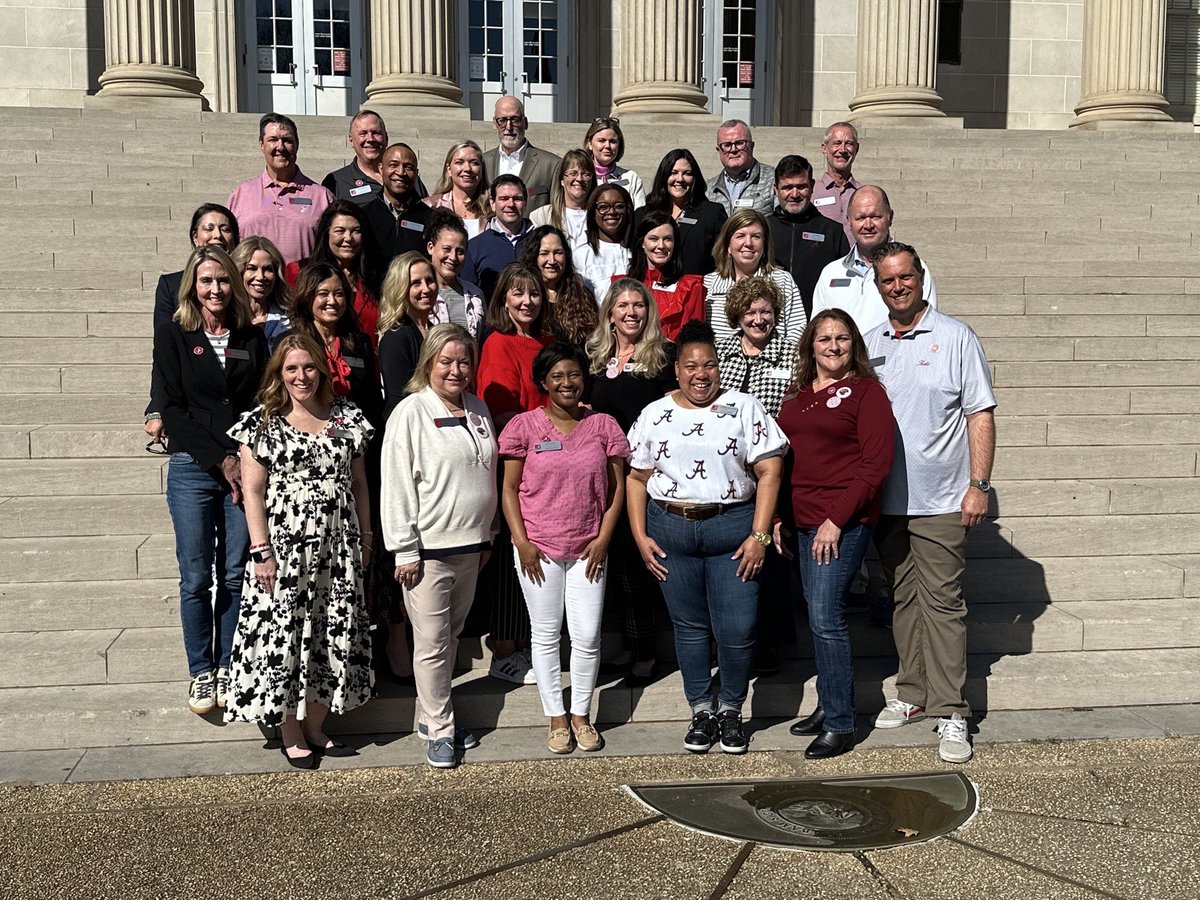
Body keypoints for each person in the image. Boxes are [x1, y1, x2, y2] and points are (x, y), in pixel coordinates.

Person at [626, 321, 787, 755]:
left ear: (721, 368)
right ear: (677, 370)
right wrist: (640, 535)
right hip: (670, 529)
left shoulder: (744, 407)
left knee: (737, 628)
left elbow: (770, 469)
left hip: (732, 529)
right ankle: (701, 708)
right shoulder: (655, 413)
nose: (702, 374)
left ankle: (732, 709)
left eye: (710, 366)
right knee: (690, 628)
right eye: (692, 366)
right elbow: (637, 477)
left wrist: (760, 534)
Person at [865, 242, 996, 764]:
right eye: (887, 281)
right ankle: (914, 694)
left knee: (942, 604)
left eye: (905, 277)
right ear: (878, 288)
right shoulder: (870, 344)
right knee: (902, 600)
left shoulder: (956, 337)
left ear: (920, 277)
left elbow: (979, 414)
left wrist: (978, 484)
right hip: (888, 501)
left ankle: (953, 711)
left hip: (942, 499)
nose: (897, 286)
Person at [224, 333, 374, 769]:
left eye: (308, 367)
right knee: (287, 636)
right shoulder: (262, 423)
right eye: (291, 368)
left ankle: (316, 726)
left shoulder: (347, 418)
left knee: (333, 632)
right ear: (278, 374)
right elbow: (253, 492)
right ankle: (290, 728)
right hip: (286, 550)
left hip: (339, 546)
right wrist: (260, 550)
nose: (301, 376)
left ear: (322, 370)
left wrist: (366, 538)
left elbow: (361, 484)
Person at [152, 246, 268, 715]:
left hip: (244, 470)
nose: (216, 289)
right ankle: (201, 671)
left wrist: (243, 460)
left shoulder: (250, 337)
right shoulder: (174, 334)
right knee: (197, 576)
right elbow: (172, 408)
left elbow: (261, 403)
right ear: (192, 288)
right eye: (206, 281)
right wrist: (222, 460)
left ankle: (227, 665)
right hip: (193, 469)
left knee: (237, 575)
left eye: (223, 280)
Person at [775, 309, 895, 760]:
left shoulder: (867, 394)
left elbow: (874, 467)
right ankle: (828, 705)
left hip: (841, 524)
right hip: (803, 521)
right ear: (810, 346)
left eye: (842, 338)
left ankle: (843, 723)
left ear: (854, 345)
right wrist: (780, 516)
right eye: (823, 338)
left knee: (827, 617)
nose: (832, 345)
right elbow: (786, 462)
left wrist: (835, 520)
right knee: (817, 616)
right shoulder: (798, 396)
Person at [500, 342, 629, 754]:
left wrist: (605, 536)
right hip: (539, 548)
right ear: (544, 382)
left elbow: (616, 487)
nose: (566, 382)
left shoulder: (604, 426)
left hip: (589, 547)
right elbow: (508, 489)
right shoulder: (523, 427)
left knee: (588, 635)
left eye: (573, 374)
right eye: (557, 376)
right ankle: (556, 715)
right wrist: (521, 542)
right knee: (546, 633)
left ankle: (581, 714)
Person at [381, 323, 498, 769]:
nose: (456, 369)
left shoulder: (479, 409)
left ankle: (431, 717)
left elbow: (484, 476)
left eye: (464, 361)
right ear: (428, 363)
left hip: (472, 546)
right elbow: (396, 484)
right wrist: (404, 548)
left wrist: (489, 535)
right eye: (446, 361)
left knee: (449, 638)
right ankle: (442, 729)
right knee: (430, 644)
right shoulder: (411, 412)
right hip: (428, 551)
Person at [585, 279, 676, 683]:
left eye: (639, 305)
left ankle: (646, 654)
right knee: (617, 565)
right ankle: (625, 644)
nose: (631, 312)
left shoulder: (663, 356)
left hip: (647, 476)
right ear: (610, 313)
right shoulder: (595, 358)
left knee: (642, 567)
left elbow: (677, 412)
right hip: (605, 475)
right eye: (622, 305)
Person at [476, 263, 554, 685]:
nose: (527, 302)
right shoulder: (499, 343)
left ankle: (530, 643)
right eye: (518, 294)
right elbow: (501, 411)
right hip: (518, 462)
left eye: (535, 294)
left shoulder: (548, 342)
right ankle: (504, 648)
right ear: (504, 299)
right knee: (512, 554)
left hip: (552, 468)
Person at [146, 203, 240, 442]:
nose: (217, 235)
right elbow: (164, 354)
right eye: (209, 228)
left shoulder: (248, 282)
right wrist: (157, 407)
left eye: (225, 229)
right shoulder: (171, 285)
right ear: (195, 237)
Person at [811, 185, 938, 336]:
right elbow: (818, 331)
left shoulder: (912, 269)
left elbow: (928, 325)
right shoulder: (831, 273)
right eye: (861, 218)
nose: (868, 225)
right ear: (849, 222)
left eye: (875, 217)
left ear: (890, 217)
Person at [285, 263, 383, 435]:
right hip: (307, 436)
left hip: (356, 438)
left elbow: (372, 399)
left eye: (339, 294)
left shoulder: (360, 342)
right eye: (323, 294)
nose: (332, 301)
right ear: (308, 298)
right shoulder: (291, 343)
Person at [227, 113, 333, 265]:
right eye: (273, 140)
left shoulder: (322, 197)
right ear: (261, 145)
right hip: (253, 286)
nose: (280, 147)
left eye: (287, 140)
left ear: (297, 144)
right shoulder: (241, 194)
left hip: (304, 287)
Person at [285, 200, 381, 343]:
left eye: (356, 231)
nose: (348, 238)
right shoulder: (298, 272)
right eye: (340, 231)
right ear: (326, 233)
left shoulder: (379, 278)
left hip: (366, 360)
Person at [703, 208, 805, 344]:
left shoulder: (783, 281)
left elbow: (797, 332)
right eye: (740, 236)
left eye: (756, 236)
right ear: (728, 245)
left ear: (765, 244)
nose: (748, 243)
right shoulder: (708, 284)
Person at [768, 154, 849, 318]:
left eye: (801, 186)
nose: (795, 194)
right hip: (769, 324)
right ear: (775, 189)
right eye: (787, 187)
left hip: (817, 323)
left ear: (812, 186)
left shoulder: (832, 231)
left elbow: (845, 283)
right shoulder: (762, 229)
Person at [636, 149, 727, 277]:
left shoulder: (712, 214)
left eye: (687, 173)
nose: (680, 179)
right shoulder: (643, 214)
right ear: (664, 176)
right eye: (673, 173)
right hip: (652, 291)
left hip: (696, 291)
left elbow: (723, 258)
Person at [714, 276, 796, 418]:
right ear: (737, 317)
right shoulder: (718, 353)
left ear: (775, 315)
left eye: (765, 312)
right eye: (750, 313)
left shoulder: (794, 356)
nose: (758, 320)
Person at [377, 251, 439, 419]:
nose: (426, 289)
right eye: (416, 283)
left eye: (430, 281)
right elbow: (401, 400)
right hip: (409, 428)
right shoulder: (395, 338)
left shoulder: (436, 331)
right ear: (401, 288)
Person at [627, 210, 706, 341]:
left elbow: (694, 340)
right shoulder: (625, 284)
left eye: (667, 239)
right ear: (642, 243)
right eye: (653, 239)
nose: (661, 246)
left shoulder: (691, 287)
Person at [517, 224, 597, 347]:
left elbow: (594, 341)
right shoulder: (525, 299)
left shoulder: (583, 296)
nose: (552, 260)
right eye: (544, 253)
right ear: (533, 257)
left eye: (558, 253)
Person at [483, 96, 562, 212]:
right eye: (503, 120)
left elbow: (557, 211)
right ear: (495, 123)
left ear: (525, 123)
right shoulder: (482, 163)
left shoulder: (551, 165)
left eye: (515, 120)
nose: (509, 127)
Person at [464, 174, 531, 301]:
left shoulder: (539, 242)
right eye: (504, 198)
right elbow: (469, 295)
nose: (510, 204)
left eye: (517, 199)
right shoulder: (474, 247)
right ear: (493, 203)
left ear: (525, 202)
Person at [424, 210, 485, 345]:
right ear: (430, 247)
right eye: (447, 249)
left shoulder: (475, 294)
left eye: (460, 251)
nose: (453, 257)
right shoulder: (419, 293)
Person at [363, 143, 431, 265]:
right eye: (393, 165)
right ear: (381, 168)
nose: (400, 172)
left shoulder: (430, 218)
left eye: (408, 167)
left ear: (416, 173)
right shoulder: (364, 215)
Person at [573, 183, 634, 299]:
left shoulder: (638, 252)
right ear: (593, 213)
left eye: (619, 206)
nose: (612, 212)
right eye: (603, 207)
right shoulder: (581, 255)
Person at [230, 237, 291, 351]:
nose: (260, 277)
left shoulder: (290, 321)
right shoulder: (226, 319)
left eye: (267, 269)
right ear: (238, 272)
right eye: (251, 268)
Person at [705, 119, 775, 217]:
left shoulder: (773, 180)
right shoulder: (708, 190)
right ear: (718, 150)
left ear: (751, 146)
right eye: (727, 145)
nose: (733, 149)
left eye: (739, 143)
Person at [423, 140, 490, 239]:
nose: (467, 168)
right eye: (459, 162)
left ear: (482, 170)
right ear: (449, 169)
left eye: (474, 163)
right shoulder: (431, 206)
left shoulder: (493, 207)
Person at [528, 149, 594, 248]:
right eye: (573, 173)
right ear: (562, 180)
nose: (579, 179)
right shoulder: (541, 216)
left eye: (585, 174)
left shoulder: (599, 215)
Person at [322, 109, 389, 206]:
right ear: (351, 140)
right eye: (363, 133)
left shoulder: (405, 175)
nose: (370, 139)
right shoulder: (337, 181)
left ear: (386, 138)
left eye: (376, 133)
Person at [811, 122, 862, 244]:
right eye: (837, 143)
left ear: (857, 149)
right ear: (824, 149)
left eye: (849, 143)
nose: (843, 149)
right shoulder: (811, 193)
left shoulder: (863, 194)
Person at [584, 116, 645, 208]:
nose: (607, 146)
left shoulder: (631, 178)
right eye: (601, 141)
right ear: (590, 144)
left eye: (613, 141)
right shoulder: (580, 178)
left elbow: (640, 213)